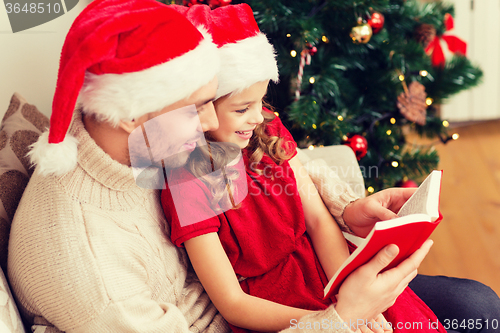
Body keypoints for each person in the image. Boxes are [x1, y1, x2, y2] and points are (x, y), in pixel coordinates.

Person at [7, 0, 497, 332]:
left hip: (308, 294)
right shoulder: (92, 275)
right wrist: (344, 315)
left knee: (480, 308)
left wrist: (347, 212)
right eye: (197, 106)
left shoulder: (133, 136)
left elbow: (275, 179)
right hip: (274, 318)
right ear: (133, 111)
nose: (209, 123)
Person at [162, 4, 445, 333]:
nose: (257, 118)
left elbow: (318, 220)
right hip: (275, 306)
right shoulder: (186, 180)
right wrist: (335, 319)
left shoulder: (267, 128)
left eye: (260, 102)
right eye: (242, 109)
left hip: (328, 270)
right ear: (200, 108)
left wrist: (348, 297)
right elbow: (232, 303)